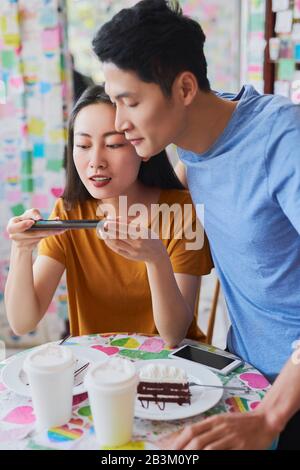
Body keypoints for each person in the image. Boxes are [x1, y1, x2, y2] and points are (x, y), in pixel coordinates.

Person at [92, 0, 300, 449]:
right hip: (242, 372)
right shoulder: (187, 140)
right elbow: (181, 197)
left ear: (185, 88)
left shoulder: (283, 140)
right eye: (114, 102)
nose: (120, 121)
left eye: (130, 102)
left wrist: (274, 417)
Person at [5, 84, 213, 348]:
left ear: (143, 146)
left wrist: (156, 258)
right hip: (99, 368)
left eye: (113, 144)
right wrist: (21, 249)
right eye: (83, 144)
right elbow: (22, 322)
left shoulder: (181, 212)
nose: (95, 161)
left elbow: (173, 335)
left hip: (168, 366)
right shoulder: (69, 212)